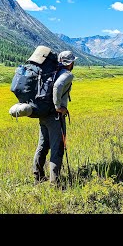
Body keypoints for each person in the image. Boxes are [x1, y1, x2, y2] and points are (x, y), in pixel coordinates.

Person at [32, 50, 77, 186]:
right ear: (70, 63)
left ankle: (38, 177)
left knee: (43, 146)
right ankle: (55, 183)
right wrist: (58, 107)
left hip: (43, 113)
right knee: (57, 147)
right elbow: (57, 86)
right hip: (55, 116)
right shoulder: (67, 75)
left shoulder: (51, 72)